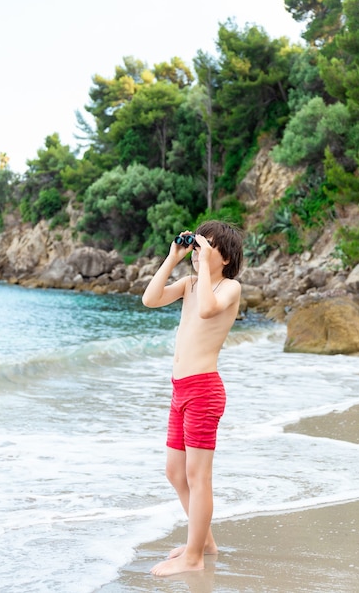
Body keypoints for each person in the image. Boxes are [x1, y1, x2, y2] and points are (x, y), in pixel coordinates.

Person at [142, 220, 243, 577]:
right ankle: (205, 543)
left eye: (207, 245)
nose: (199, 250)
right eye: (198, 244)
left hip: (204, 390)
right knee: (175, 471)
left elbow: (206, 309)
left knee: (198, 476)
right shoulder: (189, 284)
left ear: (226, 257)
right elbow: (150, 299)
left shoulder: (229, 287)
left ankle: (194, 557)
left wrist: (204, 266)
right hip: (179, 389)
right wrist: (173, 258)